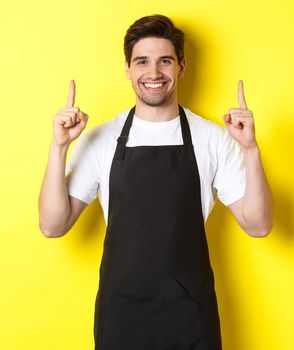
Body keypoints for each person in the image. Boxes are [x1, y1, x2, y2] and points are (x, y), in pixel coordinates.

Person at [38, 14, 273, 349]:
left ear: (182, 66)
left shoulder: (213, 139)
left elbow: (259, 225)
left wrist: (250, 150)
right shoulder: (101, 139)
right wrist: (59, 147)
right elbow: (52, 225)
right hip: (120, 318)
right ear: (128, 68)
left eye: (165, 60)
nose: (153, 73)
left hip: (190, 318)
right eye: (142, 61)